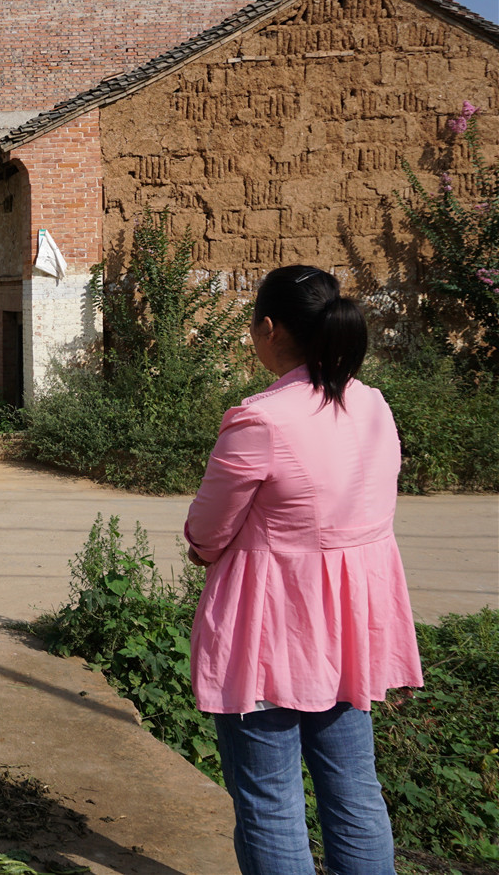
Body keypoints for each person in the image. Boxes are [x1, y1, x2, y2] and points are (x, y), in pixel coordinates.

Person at [185, 265, 423, 875]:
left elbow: (207, 532)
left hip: (271, 630)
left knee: (269, 799)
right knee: (354, 789)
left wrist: (208, 550)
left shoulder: (262, 418)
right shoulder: (372, 403)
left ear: (268, 329)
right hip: (350, 630)